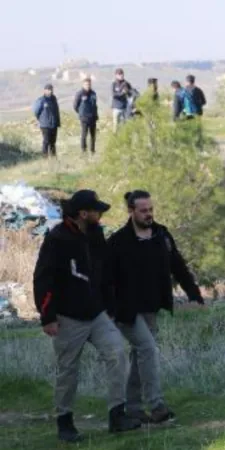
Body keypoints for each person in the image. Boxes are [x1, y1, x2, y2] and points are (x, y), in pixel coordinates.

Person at [33, 190, 142, 443]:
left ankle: (117, 416)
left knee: (117, 352)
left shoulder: (96, 234)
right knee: (68, 370)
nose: (100, 214)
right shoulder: (56, 239)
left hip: (97, 314)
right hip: (67, 317)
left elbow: (104, 273)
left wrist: (111, 307)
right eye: (97, 210)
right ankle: (65, 422)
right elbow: (43, 278)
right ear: (83, 213)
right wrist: (47, 316)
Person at [108, 190, 205, 424]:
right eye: (143, 210)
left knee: (141, 353)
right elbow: (105, 278)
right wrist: (109, 308)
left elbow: (178, 265)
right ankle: (156, 405)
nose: (148, 214)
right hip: (125, 310)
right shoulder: (118, 241)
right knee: (148, 349)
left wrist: (194, 293)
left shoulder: (161, 235)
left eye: (151, 209)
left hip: (151, 306)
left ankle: (132, 407)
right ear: (131, 211)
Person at [33, 84, 60, 157]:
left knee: (53, 142)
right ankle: (45, 157)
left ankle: (53, 157)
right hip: (45, 124)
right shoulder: (41, 100)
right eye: (48, 89)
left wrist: (57, 122)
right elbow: (36, 111)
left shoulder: (54, 99)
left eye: (51, 89)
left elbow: (56, 111)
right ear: (44, 90)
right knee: (46, 141)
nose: (50, 91)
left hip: (53, 124)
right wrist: (40, 119)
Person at [73, 78, 98, 154]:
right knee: (84, 134)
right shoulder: (79, 94)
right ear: (83, 85)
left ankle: (92, 150)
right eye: (86, 84)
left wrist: (95, 114)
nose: (88, 86)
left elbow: (95, 105)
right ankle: (84, 150)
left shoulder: (93, 93)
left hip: (92, 117)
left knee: (93, 135)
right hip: (84, 117)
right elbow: (75, 106)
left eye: (89, 84)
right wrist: (81, 113)